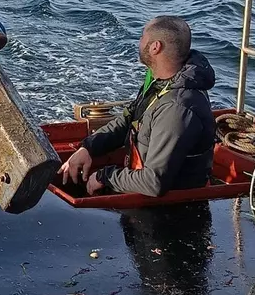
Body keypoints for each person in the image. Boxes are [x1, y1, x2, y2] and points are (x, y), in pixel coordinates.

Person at [60, 15, 217, 197]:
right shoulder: (161, 81)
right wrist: (88, 147)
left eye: (142, 37)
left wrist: (105, 177)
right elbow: (129, 120)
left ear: (155, 47)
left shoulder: (177, 108)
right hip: (138, 185)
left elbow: (153, 182)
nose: (139, 42)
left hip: (168, 207)